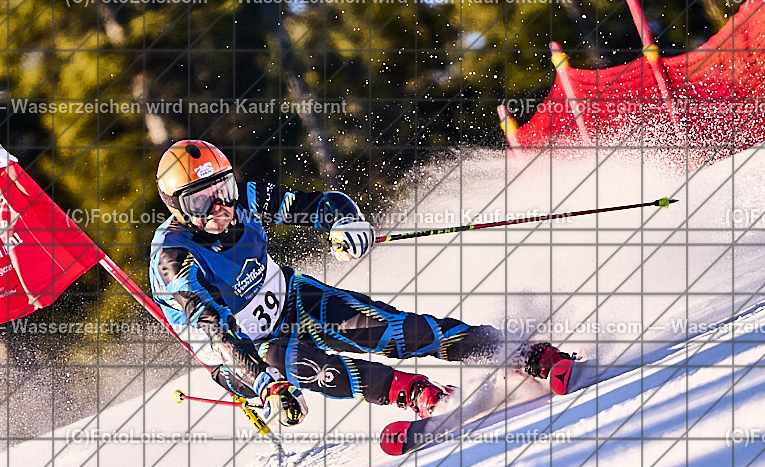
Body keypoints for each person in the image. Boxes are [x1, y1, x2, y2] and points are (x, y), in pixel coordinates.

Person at [149, 140, 572, 427]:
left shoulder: (246, 200)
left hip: (291, 299)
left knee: (393, 331)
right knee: (300, 364)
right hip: (243, 351)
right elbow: (215, 331)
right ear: (177, 207)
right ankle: (417, 393)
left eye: (223, 188)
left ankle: (515, 352)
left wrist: (345, 222)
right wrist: (264, 383)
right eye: (201, 201)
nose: (220, 206)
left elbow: (320, 203)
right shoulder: (174, 258)